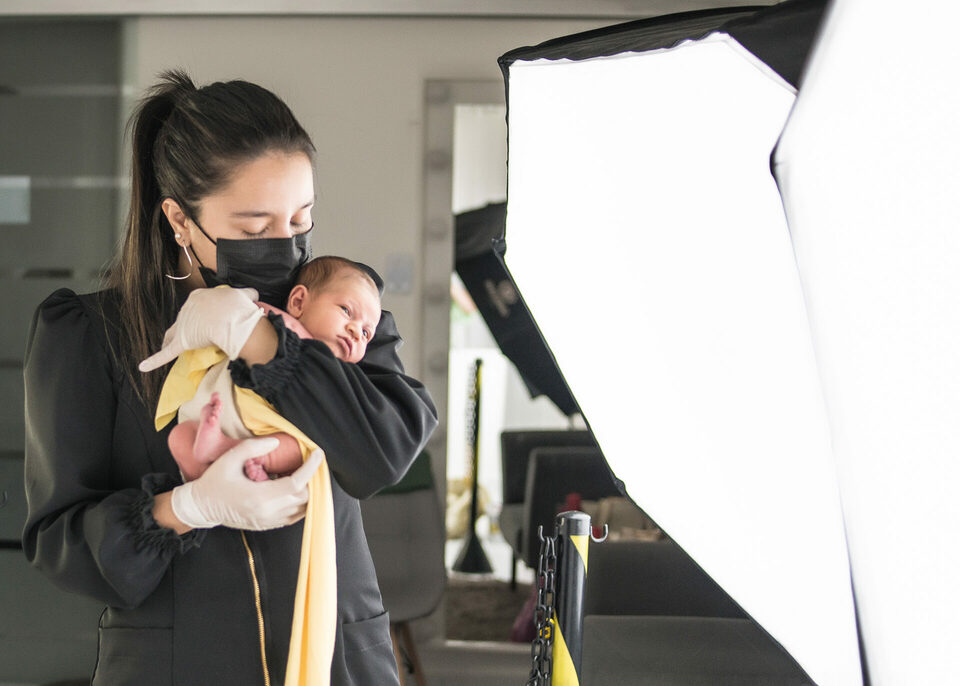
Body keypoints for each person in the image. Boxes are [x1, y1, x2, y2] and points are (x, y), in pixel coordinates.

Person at [22, 70, 437, 686]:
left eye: (301, 221)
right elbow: (60, 544)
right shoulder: (92, 334)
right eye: (253, 228)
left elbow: (381, 453)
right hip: (178, 664)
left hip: (336, 656)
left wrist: (261, 339)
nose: (285, 245)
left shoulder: (339, 314)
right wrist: (185, 507)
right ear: (179, 220)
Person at [167, 256, 383, 483]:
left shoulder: (340, 376)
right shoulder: (280, 324)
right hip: (224, 414)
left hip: (264, 439)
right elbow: (244, 316)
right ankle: (200, 476)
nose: (357, 332)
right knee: (180, 437)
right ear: (299, 302)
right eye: (347, 311)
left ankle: (245, 459)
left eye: (367, 333)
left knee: (305, 450)